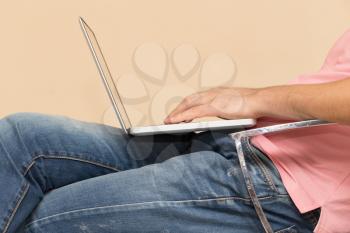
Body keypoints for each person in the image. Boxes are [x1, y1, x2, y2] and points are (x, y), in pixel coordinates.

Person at [1, 29, 349, 233]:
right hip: (253, 142)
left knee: (49, 220)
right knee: (20, 139)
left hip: (291, 189)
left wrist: (254, 98)